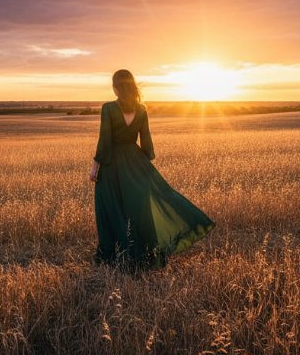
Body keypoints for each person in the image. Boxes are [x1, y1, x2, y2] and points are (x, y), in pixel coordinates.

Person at [89, 69, 214, 268]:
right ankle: (145, 253)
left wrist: (95, 166)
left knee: (111, 207)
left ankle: (114, 256)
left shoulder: (108, 109)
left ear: (115, 88)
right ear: (132, 87)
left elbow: (104, 141)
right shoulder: (142, 110)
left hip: (112, 165)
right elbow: (146, 143)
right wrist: (143, 165)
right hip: (136, 161)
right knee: (141, 209)